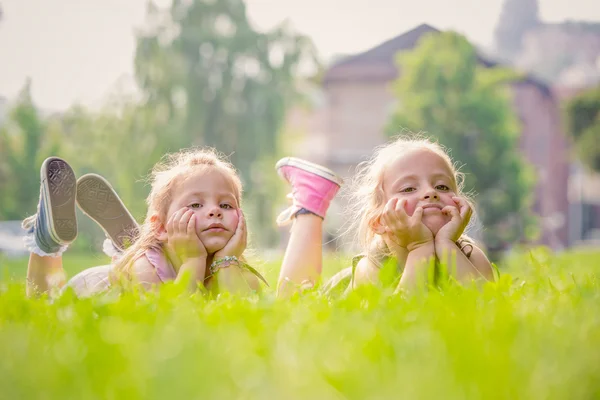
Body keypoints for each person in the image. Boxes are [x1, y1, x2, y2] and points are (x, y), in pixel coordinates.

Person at [23, 148, 343, 298]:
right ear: (163, 226)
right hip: (90, 293)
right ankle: (47, 242)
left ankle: (129, 240)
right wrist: (192, 259)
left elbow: (251, 315)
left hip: (160, 245)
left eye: (226, 205)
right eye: (195, 205)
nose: (214, 211)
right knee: (43, 304)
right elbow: (170, 319)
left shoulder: (241, 271)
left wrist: (229, 262)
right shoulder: (146, 270)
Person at [323, 135, 495, 295]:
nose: (430, 192)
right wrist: (420, 247)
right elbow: (397, 318)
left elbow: (486, 307)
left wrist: (446, 243)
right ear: (379, 221)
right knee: (301, 285)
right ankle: (310, 210)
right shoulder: (371, 266)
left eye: (442, 186)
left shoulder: (472, 256)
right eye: (409, 189)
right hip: (337, 291)